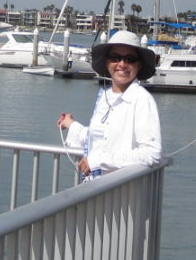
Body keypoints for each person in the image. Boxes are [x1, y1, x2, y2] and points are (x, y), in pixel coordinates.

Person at [56, 30, 163, 178]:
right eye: (115, 57)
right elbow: (101, 138)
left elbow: (151, 153)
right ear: (107, 63)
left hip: (122, 192)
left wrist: (98, 160)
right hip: (96, 188)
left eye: (129, 59)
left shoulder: (142, 99)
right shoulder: (105, 96)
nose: (122, 64)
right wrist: (71, 125)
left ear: (138, 65)